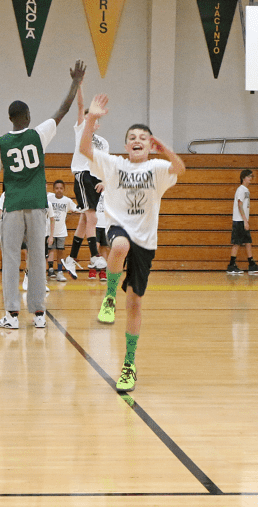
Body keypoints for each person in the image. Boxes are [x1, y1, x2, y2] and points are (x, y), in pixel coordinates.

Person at [82, 94, 185, 393]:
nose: (137, 140)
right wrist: (91, 118)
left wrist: (167, 151)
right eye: (132, 137)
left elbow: (180, 169)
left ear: (150, 145)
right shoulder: (114, 165)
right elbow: (84, 147)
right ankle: (109, 295)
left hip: (147, 242)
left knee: (136, 304)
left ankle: (129, 364)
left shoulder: (156, 168)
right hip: (119, 230)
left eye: (143, 137)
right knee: (118, 246)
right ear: (126, 145)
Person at [0, 61, 84, 330]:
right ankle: (39, 314)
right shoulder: (38, 135)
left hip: (13, 206)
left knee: (11, 261)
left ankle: (12, 316)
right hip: (39, 205)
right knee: (38, 260)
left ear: (9, 119)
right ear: (27, 116)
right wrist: (75, 81)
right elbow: (62, 111)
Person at [64, 82, 108, 279]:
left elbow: (105, 164)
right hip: (83, 175)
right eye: (91, 117)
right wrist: (80, 84)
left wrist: (105, 181)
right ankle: (94, 255)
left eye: (96, 118)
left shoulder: (103, 142)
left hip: (96, 180)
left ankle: (71, 258)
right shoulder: (82, 129)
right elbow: (81, 106)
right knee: (92, 217)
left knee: (84, 219)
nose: (93, 121)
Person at [227, 169, 258, 274]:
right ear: (244, 178)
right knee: (237, 243)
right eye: (249, 176)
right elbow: (239, 205)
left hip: (243, 220)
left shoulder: (246, 190)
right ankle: (231, 265)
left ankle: (251, 264)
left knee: (248, 242)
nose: (251, 178)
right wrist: (245, 220)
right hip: (239, 221)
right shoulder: (241, 190)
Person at [46, 180, 80, 282]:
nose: (59, 190)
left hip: (61, 231)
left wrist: (79, 211)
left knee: (60, 251)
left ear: (64, 189)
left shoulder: (67, 201)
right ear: (53, 189)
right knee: (50, 250)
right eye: (57, 188)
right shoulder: (49, 198)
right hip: (49, 230)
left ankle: (60, 271)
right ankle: (51, 270)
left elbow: (76, 208)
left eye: (61, 188)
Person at [93, 191, 109, 280]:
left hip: (106, 224)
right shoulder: (95, 189)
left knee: (104, 248)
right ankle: (92, 269)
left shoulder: (111, 189)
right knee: (95, 247)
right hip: (96, 224)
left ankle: (103, 271)